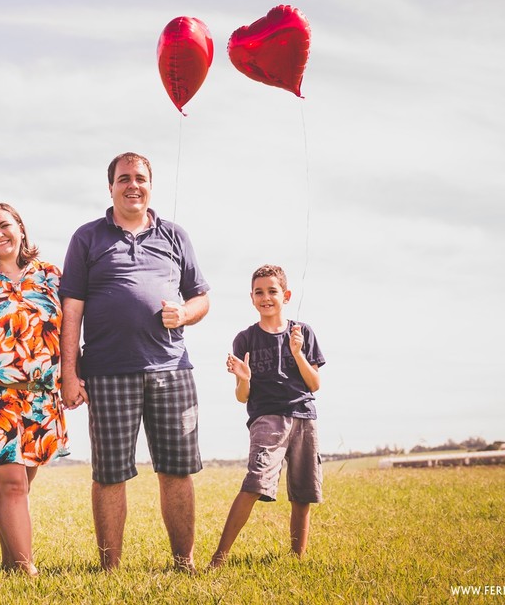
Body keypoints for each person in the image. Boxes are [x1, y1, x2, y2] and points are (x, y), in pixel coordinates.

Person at [60, 152, 211, 572]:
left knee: (177, 470)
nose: (133, 185)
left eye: (140, 178)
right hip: (107, 372)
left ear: (150, 185)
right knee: (109, 473)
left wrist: (184, 313)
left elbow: (201, 298)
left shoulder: (175, 236)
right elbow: (71, 309)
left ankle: (184, 562)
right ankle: (110, 569)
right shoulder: (87, 238)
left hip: (172, 369)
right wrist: (68, 372)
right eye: (124, 178)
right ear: (110, 186)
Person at [0, 202, 69, 576]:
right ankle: (26, 572)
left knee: (19, 486)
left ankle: (8, 563)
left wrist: (74, 375)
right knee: (13, 484)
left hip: (40, 396)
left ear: (21, 228)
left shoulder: (52, 276)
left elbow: (71, 331)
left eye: (4, 225)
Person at [209, 263, 325, 567]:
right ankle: (219, 559)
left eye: (272, 291)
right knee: (254, 482)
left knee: (303, 494)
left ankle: (297, 559)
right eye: (259, 292)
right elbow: (241, 396)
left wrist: (298, 353)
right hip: (267, 419)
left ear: (285, 295)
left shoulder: (304, 332)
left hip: (303, 415)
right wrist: (244, 377)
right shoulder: (245, 339)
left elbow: (314, 384)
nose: (266, 297)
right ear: (251, 298)